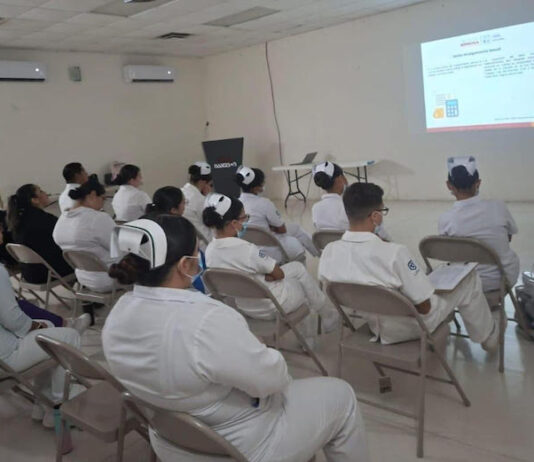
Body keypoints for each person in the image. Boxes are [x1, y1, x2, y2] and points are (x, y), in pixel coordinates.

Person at [102, 215, 368, 462]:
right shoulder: (206, 320)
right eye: (195, 254)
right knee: (342, 395)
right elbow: (273, 380)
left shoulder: (116, 317)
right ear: (185, 265)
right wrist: (260, 351)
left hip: (170, 442)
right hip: (238, 445)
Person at [319, 182, 498, 350]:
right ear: (375, 217)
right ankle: (488, 337)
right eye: (382, 211)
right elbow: (425, 307)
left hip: (374, 324)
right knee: (469, 279)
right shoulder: (396, 253)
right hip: (412, 326)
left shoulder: (329, 251)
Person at [203, 194, 338, 344]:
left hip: (245, 307)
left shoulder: (209, 252)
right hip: (274, 305)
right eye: (244, 218)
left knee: (297, 268)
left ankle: (325, 318)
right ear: (234, 223)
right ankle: (312, 334)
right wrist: (269, 275)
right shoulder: (248, 250)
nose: (246, 222)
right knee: (303, 284)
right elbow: (278, 273)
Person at [0, 261, 89, 428]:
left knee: (47, 332)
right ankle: (62, 409)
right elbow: (12, 319)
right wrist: (37, 326)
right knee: (68, 337)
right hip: (6, 357)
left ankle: (43, 405)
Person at [439, 156, 520, 292]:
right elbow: (508, 238)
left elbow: (451, 253)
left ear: (449, 185)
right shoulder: (499, 207)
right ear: (478, 183)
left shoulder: (445, 219)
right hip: (504, 279)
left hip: (467, 284)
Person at [236, 165, 319, 262]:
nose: (263, 185)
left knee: (295, 228)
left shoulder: (235, 204)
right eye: (262, 183)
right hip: (269, 248)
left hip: (247, 248)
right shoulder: (264, 203)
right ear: (255, 188)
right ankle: (320, 253)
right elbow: (282, 229)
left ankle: (319, 252)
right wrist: (271, 227)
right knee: (297, 243)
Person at [53, 178, 116, 293]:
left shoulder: (61, 220)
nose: (103, 204)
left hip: (83, 278)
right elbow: (118, 248)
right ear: (93, 195)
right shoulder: (98, 218)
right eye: (103, 199)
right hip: (110, 277)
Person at [7, 184, 73, 284]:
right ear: (34, 200)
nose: (46, 193)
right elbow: (68, 236)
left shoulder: (17, 220)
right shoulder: (43, 219)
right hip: (48, 273)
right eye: (41, 191)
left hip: (29, 274)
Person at [312, 161, 391, 241]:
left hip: (331, 246)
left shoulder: (315, 208)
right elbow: (376, 232)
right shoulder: (350, 206)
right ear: (340, 179)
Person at [182, 162, 213, 242]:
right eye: (210, 184)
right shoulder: (200, 200)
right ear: (203, 182)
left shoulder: (181, 192)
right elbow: (205, 231)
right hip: (199, 242)